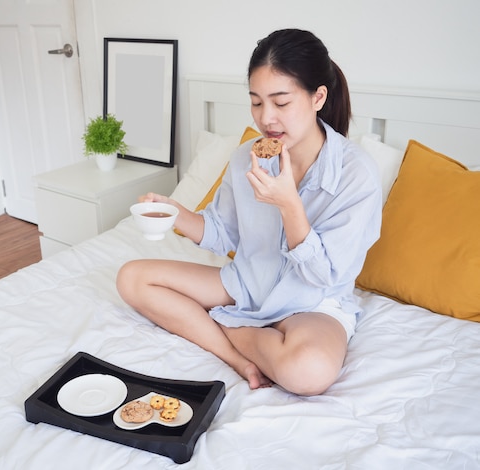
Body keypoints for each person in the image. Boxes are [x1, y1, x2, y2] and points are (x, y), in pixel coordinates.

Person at [116, 29, 382, 396]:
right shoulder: (247, 156)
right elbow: (222, 233)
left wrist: (289, 204)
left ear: (318, 97)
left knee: (310, 373)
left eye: (281, 102)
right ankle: (236, 356)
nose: (266, 118)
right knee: (132, 278)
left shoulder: (357, 174)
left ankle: (229, 327)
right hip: (245, 283)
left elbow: (324, 274)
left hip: (311, 302)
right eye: (256, 102)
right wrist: (174, 212)